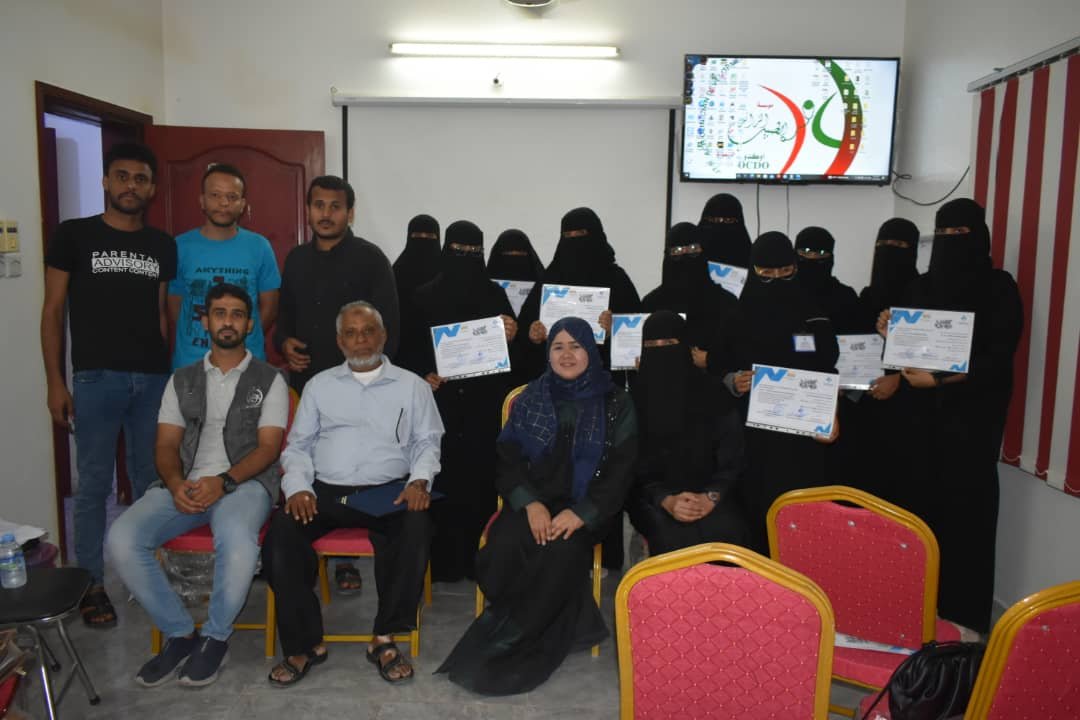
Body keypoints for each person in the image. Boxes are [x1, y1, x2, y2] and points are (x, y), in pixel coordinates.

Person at [436, 317, 637, 695]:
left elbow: (621, 471)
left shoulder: (616, 402)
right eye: (558, 346)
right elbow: (507, 461)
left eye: (576, 346)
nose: (567, 354)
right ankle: (571, 618)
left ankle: (511, 641)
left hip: (586, 507)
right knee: (503, 551)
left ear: (591, 351)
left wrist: (581, 513)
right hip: (531, 501)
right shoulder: (531, 397)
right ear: (548, 352)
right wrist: (530, 504)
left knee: (559, 554)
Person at [106, 283, 287, 687]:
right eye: (219, 313)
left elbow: (268, 449)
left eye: (237, 314)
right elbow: (166, 445)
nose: (228, 321)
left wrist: (223, 481)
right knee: (122, 538)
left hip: (245, 484)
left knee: (237, 540)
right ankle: (180, 634)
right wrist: (174, 484)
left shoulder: (270, 379)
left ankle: (216, 638)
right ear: (205, 321)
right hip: (184, 484)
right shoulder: (181, 379)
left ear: (250, 324)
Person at [262, 301, 443, 686]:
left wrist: (419, 480)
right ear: (339, 341)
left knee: (416, 526)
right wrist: (298, 488)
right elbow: (297, 447)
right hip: (326, 492)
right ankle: (304, 644)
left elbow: (428, 442)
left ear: (383, 336)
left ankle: (384, 638)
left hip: (389, 492)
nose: (361, 340)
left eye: (368, 331)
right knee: (281, 535)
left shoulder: (412, 386)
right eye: (351, 333)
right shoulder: (319, 385)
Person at [41, 141, 177, 628]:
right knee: (94, 485)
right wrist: (56, 382)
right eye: (122, 176)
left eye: (140, 179)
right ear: (105, 181)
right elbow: (53, 311)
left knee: (150, 482)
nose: (130, 186)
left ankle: (145, 575)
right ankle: (91, 584)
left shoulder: (162, 245)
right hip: (96, 378)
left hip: (152, 379)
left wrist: (167, 377)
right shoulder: (74, 235)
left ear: (152, 188)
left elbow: (161, 314)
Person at [876, 199, 1021, 636]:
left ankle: (965, 628)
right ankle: (909, 617)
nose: (950, 242)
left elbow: (998, 358)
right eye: (943, 234)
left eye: (960, 234)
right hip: (917, 432)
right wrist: (891, 332)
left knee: (966, 527)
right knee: (915, 523)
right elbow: (906, 352)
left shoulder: (999, 288)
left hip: (970, 431)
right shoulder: (920, 287)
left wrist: (939, 380)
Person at [512, 207, 640, 570]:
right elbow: (523, 343)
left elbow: (638, 341)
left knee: (603, 465)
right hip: (553, 398)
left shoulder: (617, 279)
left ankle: (601, 552)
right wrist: (533, 335)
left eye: (581, 237)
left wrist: (619, 327)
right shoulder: (549, 280)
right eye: (568, 238)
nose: (575, 245)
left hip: (602, 396)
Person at [410, 220, 516, 582]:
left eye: (474, 253)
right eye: (460, 252)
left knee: (482, 482)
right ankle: (441, 563)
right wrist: (424, 373)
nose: (467, 259)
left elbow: (515, 359)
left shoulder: (496, 296)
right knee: (443, 481)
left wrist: (512, 334)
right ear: (446, 251)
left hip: (484, 408)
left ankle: (481, 561)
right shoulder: (422, 296)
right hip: (439, 407)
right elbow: (407, 350)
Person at [729, 232, 839, 552]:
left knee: (800, 520)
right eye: (766, 273)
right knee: (753, 514)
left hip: (801, 438)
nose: (776, 279)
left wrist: (832, 413)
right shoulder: (736, 315)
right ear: (753, 271)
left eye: (785, 272)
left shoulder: (813, 313)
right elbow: (717, 365)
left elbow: (827, 365)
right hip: (750, 437)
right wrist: (733, 381)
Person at [628, 311, 748, 555]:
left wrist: (711, 496)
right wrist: (665, 499)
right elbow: (631, 465)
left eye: (669, 343)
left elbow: (733, 455)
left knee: (729, 533)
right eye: (652, 345)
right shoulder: (633, 401)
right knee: (671, 539)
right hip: (653, 498)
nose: (661, 351)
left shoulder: (714, 393)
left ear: (684, 346)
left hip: (712, 495)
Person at [276, 175, 400, 394]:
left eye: (335, 207)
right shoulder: (296, 259)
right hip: (306, 384)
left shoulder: (371, 259)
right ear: (308, 210)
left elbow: (389, 329)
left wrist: (372, 380)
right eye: (319, 205)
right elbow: (284, 316)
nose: (325, 214)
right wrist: (284, 342)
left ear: (350, 214)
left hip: (359, 386)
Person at [168, 163, 280, 368]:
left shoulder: (259, 246)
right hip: (192, 364)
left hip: (247, 364)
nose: (224, 203)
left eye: (232, 196)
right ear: (202, 201)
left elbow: (270, 307)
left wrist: (238, 337)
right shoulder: (180, 247)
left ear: (242, 204)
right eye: (215, 195)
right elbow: (176, 306)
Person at [856, 218, 921, 502]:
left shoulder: (923, 295)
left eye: (897, 245)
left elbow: (931, 356)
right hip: (866, 406)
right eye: (883, 244)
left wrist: (897, 377)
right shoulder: (866, 297)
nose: (889, 250)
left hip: (908, 411)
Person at [640, 222, 740, 374]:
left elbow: (737, 356)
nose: (685, 256)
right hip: (662, 386)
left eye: (693, 249)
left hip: (712, 387)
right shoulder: (651, 304)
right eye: (677, 251)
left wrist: (712, 360)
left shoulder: (726, 303)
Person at [392, 214, 441, 375]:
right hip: (403, 359)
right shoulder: (395, 274)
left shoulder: (447, 274)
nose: (423, 240)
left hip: (443, 360)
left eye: (430, 237)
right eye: (418, 236)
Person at [794, 226, 863, 334]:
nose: (812, 257)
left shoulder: (845, 297)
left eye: (821, 253)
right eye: (805, 252)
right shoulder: (782, 293)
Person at [696, 193, 752, 269]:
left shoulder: (754, 261)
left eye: (728, 220)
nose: (719, 225)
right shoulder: (688, 255)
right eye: (714, 220)